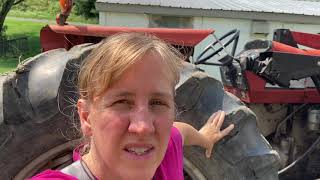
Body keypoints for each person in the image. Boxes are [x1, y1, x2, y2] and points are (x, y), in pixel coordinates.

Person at [31, 33, 234, 180]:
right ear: (86, 117)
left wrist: (205, 138)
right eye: (121, 102)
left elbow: (180, 132)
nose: (144, 127)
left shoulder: (167, 149)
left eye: (158, 102)